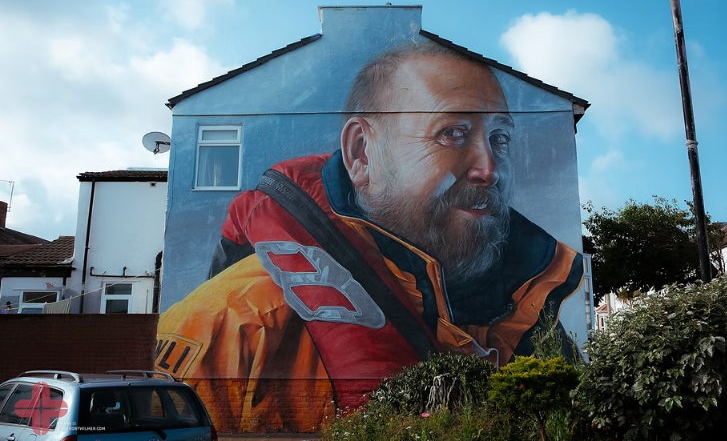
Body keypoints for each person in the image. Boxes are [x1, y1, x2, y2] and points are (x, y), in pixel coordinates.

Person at [156, 43, 583, 432]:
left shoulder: (532, 314)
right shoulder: (232, 326)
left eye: (500, 138)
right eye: (452, 133)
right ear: (362, 153)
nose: (488, 169)